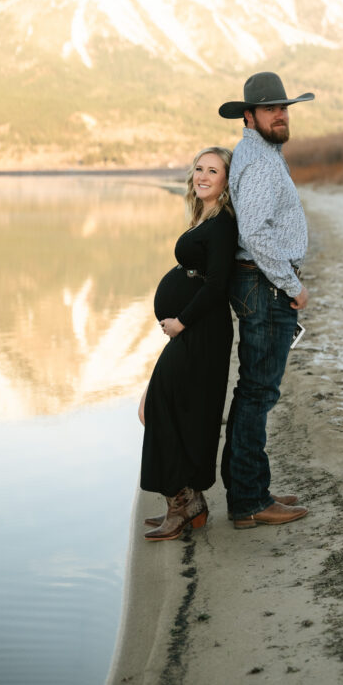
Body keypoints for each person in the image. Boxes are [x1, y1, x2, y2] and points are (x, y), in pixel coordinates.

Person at [218, 72, 314, 529]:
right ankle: (250, 501)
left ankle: (248, 489)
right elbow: (255, 233)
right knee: (258, 392)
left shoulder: (263, 154)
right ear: (250, 117)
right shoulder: (258, 161)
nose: (282, 114)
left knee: (253, 391)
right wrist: (292, 285)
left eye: (285, 107)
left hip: (262, 283)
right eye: (272, 108)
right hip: (265, 284)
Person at [139, 146, 237, 541]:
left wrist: (181, 320)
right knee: (161, 408)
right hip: (194, 331)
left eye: (213, 170)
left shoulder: (224, 224)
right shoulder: (206, 219)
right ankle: (185, 501)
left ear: (227, 180)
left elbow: (216, 285)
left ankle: (183, 505)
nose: (203, 176)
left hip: (203, 333)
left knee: (167, 409)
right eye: (199, 168)